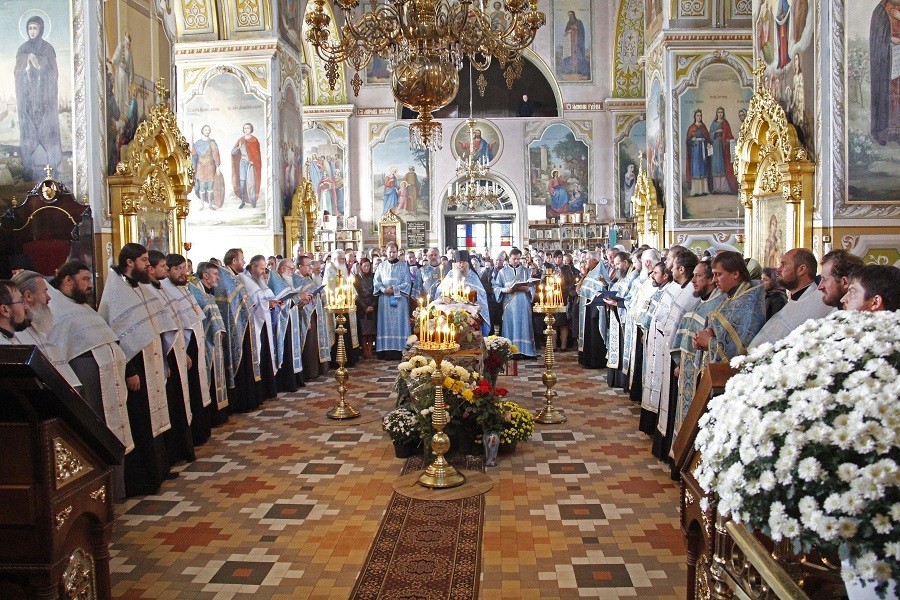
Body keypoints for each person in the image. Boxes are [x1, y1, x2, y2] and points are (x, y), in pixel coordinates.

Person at [44, 262, 133, 499]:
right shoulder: (56, 308)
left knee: (112, 432)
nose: (90, 284)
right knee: (94, 434)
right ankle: (101, 494)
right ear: (67, 280)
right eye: (84, 279)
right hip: (87, 382)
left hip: (107, 380)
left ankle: (116, 491)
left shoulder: (82, 307)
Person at [98, 243, 173, 497]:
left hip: (151, 362)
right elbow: (115, 336)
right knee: (141, 418)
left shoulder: (141, 287)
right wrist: (129, 370)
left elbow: (155, 327)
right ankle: (143, 479)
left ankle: (159, 470)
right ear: (129, 263)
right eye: (143, 260)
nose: (147, 265)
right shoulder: (116, 293)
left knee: (155, 415)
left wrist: (164, 362)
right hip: (135, 366)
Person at [649, 252, 700, 466]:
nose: (669, 268)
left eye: (672, 264)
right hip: (671, 349)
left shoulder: (689, 293)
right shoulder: (682, 289)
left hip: (679, 355)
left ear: (681, 269)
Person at [146, 250, 195, 466]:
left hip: (174, 350)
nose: (166, 269)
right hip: (163, 355)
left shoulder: (160, 288)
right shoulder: (151, 290)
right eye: (164, 266)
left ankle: (180, 450)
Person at [162, 253, 214, 446]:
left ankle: (200, 431)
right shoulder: (165, 291)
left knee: (196, 388)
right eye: (177, 269)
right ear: (167, 271)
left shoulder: (184, 288)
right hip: (180, 347)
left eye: (184, 268)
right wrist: (183, 351)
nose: (183, 272)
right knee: (186, 391)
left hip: (193, 343)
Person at [671, 260, 725, 439]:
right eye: (693, 275)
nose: (693, 280)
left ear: (711, 280)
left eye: (698, 276)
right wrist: (680, 362)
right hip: (687, 370)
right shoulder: (701, 302)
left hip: (701, 373)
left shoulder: (718, 305)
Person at [9, 270, 83, 392]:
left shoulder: (35, 327)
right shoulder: (14, 335)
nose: (49, 297)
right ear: (28, 296)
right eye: (44, 291)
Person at [749, 249, 834, 350]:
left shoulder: (820, 302)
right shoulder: (797, 299)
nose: (778, 269)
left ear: (801, 269)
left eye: (784, 264)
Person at [693, 251, 766, 364]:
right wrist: (701, 338)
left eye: (718, 274)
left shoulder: (749, 303)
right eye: (713, 275)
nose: (714, 280)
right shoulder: (729, 296)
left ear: (735, 274)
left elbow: (741, 350)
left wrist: (709, 342)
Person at [14, 15, 62, 181]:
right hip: (28, 101)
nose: (32, 31)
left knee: (47, 132)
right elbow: (17, 74)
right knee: (29, 133)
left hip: (44, 101)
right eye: (30, 28)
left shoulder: (48, 49)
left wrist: (40, 66)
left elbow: (53, 74)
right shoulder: (22, 49)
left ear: (41, 29)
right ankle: (29, 171)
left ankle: (52, 170)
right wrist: (26, 67)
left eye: (35, 28)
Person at [215, 248, 262, 412]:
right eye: (242, 259)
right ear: (234, 261)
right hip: (236, 327)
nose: (244, 262)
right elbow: (230, 305)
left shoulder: (234, 277)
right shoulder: (225, 278)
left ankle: (249, 400)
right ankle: (241, 402)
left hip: (244, 324)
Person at [189, 262, 229, 424]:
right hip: (205, 340)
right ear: (205, 275)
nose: (217, 277)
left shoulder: (209, 292)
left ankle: (218, 413)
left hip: (215, 341)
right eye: (215, 274)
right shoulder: (196, 292)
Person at [638, 261, 675, 436]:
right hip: (653, 338)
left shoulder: (672, 291)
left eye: (656, 273)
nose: (652, 276)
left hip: (662, 343)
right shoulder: (663, 290)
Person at [240, 255, 279, 401]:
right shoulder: (245, 281)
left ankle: (267, 389)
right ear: (253, 267)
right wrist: (268, 304)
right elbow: (250, 304)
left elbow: (265, 297)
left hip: (264, 324)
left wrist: (273, 303)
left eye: (264, 268)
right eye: (261, 268)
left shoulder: (260, 281)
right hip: (254, 326)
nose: (264, 271)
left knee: (265, 355)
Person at [267, 259, 304, 392]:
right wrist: (297, 298)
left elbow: (290, 300)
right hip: (282, 323)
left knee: (292, 349)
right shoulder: (275, 280)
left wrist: (300, 300)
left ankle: (295, 379)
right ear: (283, 268)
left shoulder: (286, 280)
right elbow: (280, 302)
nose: (292, 272)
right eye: (291, 269)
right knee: (285, 350)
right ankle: (286, 382)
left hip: (290, 320)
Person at [295, 254, 332, 380]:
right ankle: (311, 371)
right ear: (300, 266)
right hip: (307, 316)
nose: (310, 268)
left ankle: (320, 369)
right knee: (310, 344)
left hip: (316, 314)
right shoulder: (295, 279)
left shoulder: (309, 278)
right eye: (308, 265)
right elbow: (298, 300)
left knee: (316, 343)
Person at [493, 248, 536, 358]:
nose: (516, 261)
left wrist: (528, 289)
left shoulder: (527, 271)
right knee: (511, 325)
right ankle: (510, 351)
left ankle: (525, 350)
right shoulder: (502, 272)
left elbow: (532, 288)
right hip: (510, 304)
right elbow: (496, 287)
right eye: (514, 259)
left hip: (523, 303)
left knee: (523, 326)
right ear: (509, 258)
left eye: (518, 259)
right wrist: (505, 290)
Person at [374, 242, 413, 359]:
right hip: (385, 300)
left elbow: (407, 283)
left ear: (397, 252)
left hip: (399, 300)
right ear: (386, 252)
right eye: (390, 252)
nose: (392, 254)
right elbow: (376, 281)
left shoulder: (404, 266)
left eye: (394, 252)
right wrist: (384, 289)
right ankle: (385, 350)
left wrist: (395, 289)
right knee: (385, 324)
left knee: (400, 323)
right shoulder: (381, 266)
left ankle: (401, 349)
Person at [440, 250, 491, 336]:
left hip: (470, 310)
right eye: (459, 262)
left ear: (468, 263)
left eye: (464, 262)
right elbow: (440, 291)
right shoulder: (450, 274)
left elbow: (481, 295)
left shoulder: (473, 276)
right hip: (452, 309)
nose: (461, 265)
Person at [870, 0, 900, 145]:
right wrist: (889, 40)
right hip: (888, 64)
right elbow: (877, 40)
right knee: (886, 94)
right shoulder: (881, 10)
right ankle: (883, 132)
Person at [324, 250, 360, 367]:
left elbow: (348, 284)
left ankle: (349, 358)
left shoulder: (342, 269)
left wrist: (351, 295)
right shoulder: (330, 270)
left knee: (347, 332)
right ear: (335, 259)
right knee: (338, 332)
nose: (344, 261)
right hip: (336, 307)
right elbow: (330, 288)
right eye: (341, 259)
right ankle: (338, 360)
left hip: (346, 305)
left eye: (344, 259)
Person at [576, 250, 609, 369]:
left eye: (587, 259)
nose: (585, 261)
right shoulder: (591, 272)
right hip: (587, 308)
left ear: (594, 260)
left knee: (594, 335)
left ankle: (595, 361)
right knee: (588, 334)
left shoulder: (599, 272)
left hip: (595, 309)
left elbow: (603, 288)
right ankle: (587, 359)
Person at [231, 123, 262, 209]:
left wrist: (253, 161)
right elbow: (233, 152)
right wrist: (238, 147)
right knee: (242, 182)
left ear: (251, 129)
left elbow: (257, 155)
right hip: (242, 163)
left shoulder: (254, 140)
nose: (246, 130)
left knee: (251, 183)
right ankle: (242, 201)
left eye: (248, 128)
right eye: (245, 128)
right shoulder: (241, 140)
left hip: (251, 165)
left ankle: (252, 201)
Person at [709, 107, 738, 194]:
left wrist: (728, 140)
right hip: (716, 147)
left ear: (723, 113)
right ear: (716, 113)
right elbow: (710, 136)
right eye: (718, 112)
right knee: (716, 166)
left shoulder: (726, 123)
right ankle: (717, 188)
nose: (720, 114)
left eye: (721, 112)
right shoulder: (713, 124)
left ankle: (724, 188)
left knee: (723, 166)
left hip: (724, 148)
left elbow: (729, 135)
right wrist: (716, 132)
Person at [192, 125, 221, 210]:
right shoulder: (198, 143)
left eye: (208, 130)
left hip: (210, 166)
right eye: (205, 130)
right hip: (201, 166)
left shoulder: (212, 142)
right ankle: (202, 205)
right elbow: (194, 154)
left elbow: (216, 155)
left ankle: (210, 205)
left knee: (210, 186)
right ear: (202, 131)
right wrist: (192, 144)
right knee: (202, 186)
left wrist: (218, 166)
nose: (207, 131)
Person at [354, 257, 377, 359]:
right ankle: (364, 350)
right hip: (361, 307)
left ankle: (370, 349)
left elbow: (376, 291)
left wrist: (372, 305)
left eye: (368, 266)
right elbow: (356, 294)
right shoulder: (356, 278)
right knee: (363, 331)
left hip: (372, 304)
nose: (366, 268)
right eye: (364, 266)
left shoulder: (374, 276)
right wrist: (365, 307)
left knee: (372, 330)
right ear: (360, 266)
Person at [686, 109, 711, 197]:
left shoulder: (703, 127)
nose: (699, 117)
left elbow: (707, 138)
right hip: (695, 150)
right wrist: (692, 140)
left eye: (700, 115)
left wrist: (708, 142)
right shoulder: (691, 127)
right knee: (696, 169)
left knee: (703, 168)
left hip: (703, 149)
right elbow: (688, 141)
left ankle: (704, 190)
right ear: (695, 117)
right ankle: (696, 191)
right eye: (697, 115)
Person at [562, 10, 588, 76]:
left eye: (571, 15)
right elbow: (566, 31)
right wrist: (568, 32)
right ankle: (570, 69)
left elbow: (582, 32)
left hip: (577, 42)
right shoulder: (568, 23)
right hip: (570, 43)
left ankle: (579, 70)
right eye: (569, 15)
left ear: (573, 15)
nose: (570, 16)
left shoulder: (579, 22)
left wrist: (576, 29)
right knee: (570, 56)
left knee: (578, 55)